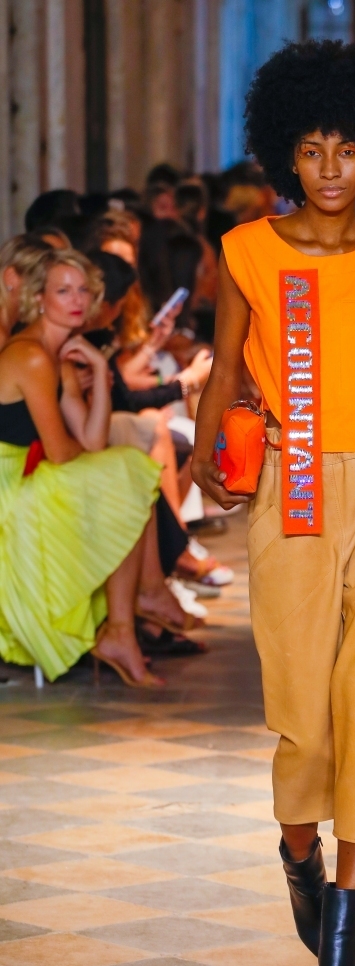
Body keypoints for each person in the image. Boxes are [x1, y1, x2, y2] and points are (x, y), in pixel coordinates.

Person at [192, 39, 355, 966]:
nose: (331, 167)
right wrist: (209, 449)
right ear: (285, 155)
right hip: (291, 476)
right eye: (311, 149)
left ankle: (347, 935)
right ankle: (300, 852)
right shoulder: (247, 251)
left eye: (347, 149)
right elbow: (224, 366)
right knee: (304, 703)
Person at [0, 248, 186, 686]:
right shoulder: (31, 355)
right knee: (125, 473)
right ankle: (126, 622)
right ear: (38, 297)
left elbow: (91, 439)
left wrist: (100, 369)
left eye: (83, 290)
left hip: (32, 477)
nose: (77, 300)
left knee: (125, 472)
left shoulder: (60, 354)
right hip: (10, 485)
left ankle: (122, 628)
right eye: (63, 291)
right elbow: (63, 452)